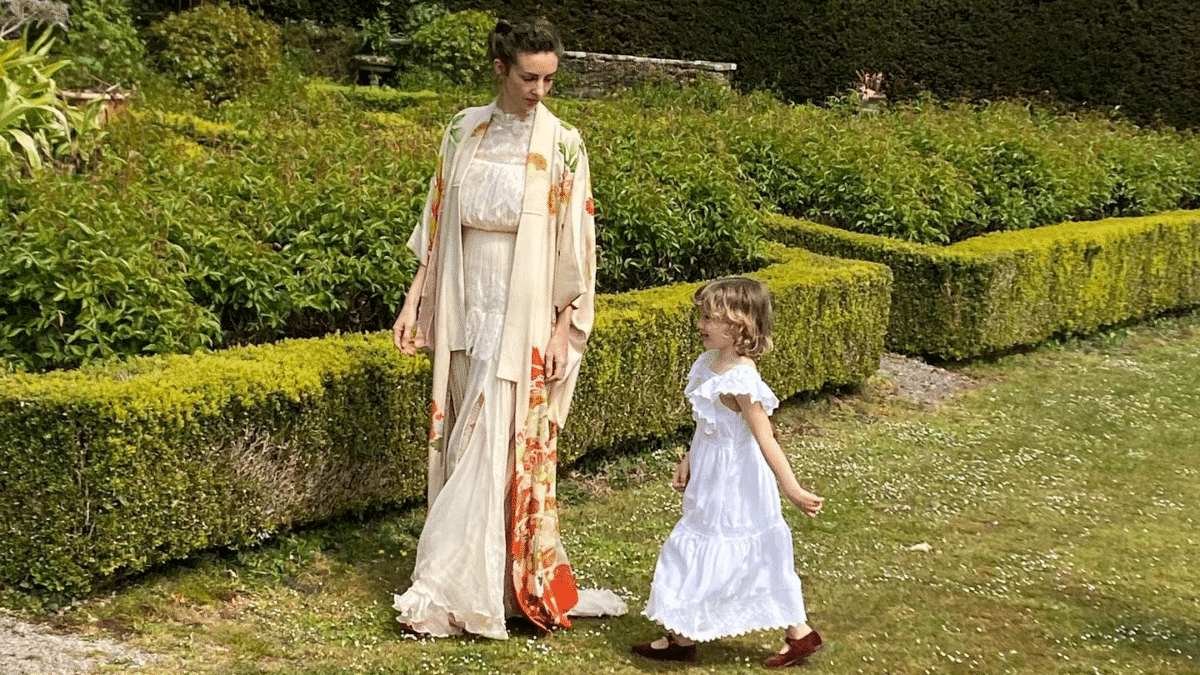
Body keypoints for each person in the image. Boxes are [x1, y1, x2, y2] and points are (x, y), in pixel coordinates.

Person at [390, 16, 623, 639]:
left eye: (549, 79)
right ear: (501, 68)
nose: (539, 91)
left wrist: (562, 324)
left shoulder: (564, 143)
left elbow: (576, 243)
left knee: (495, 436)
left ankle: (445, 590)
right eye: (528, 78)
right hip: (465, 299)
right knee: (465, 436)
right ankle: (483, 576)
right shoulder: (463, 129)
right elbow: (437, 222)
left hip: (524, 314)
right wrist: (414, 302)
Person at [631, 277, 826, 668]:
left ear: (740, 326)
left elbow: (766, 438)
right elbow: (708, 423)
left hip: (737, 480)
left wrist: (792, 489)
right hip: (710, 471)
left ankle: (799, 633)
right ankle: (684, 635)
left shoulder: (742, 380)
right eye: (702, 316)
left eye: (710, 318)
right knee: (699, 549)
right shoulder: (708, 363)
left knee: (749, 553)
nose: (700, 324)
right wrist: (689, 457)